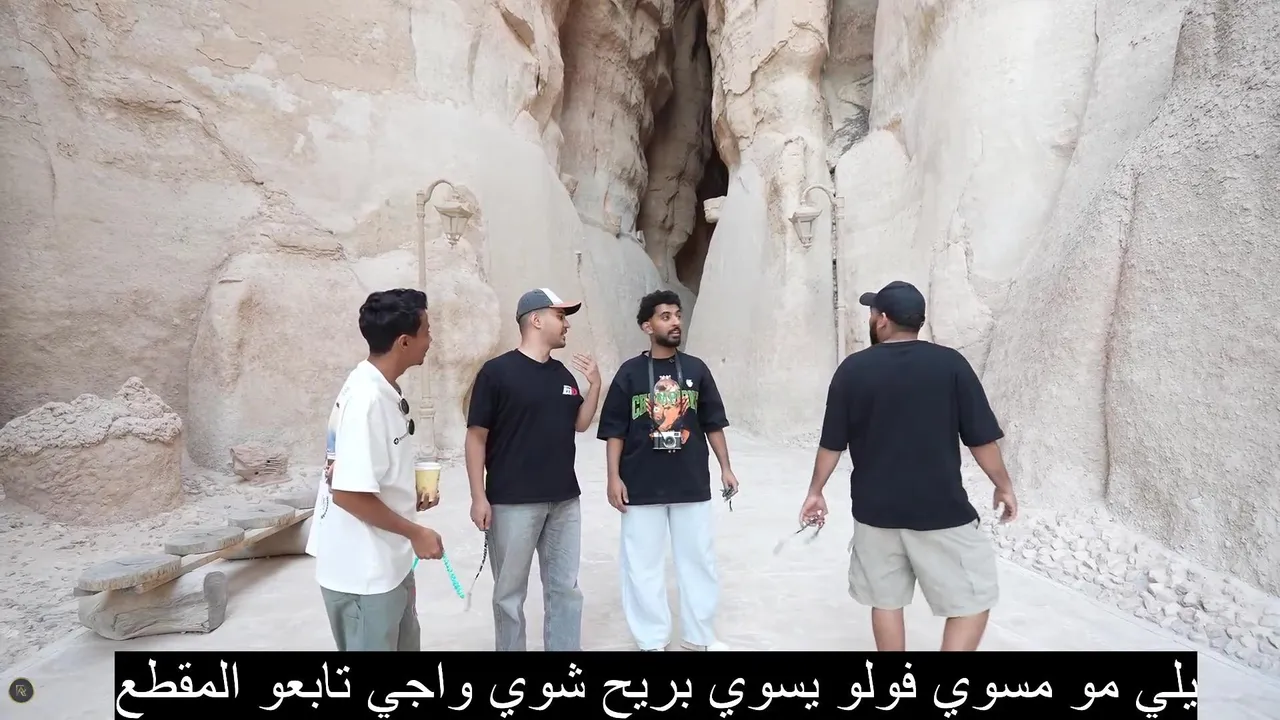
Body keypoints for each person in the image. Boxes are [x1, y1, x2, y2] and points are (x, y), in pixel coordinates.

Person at [797, 280, 1018, 652]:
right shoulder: (951, 365)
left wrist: (815, 491)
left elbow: (832, 443)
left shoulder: (853, 370)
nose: (871, 320)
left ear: (883, 320)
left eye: (872, 313)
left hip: (874, 513)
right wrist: (1004, 485)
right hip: (939, 509)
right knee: (973, 599)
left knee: (886, 601)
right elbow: (981, 439)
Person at [597, 289, 737, 652]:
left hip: (690, 482)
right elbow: (614, 431)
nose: (675, 322)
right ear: (647, 326)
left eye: (677, 315)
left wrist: (726, 468)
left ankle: (699, 637)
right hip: (640, 484)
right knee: (642, 564)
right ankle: (651, 640)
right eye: (665, 316)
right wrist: (613, 477)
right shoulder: (629, 373)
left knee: (699, 560)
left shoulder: (696, 369)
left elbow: (713, 423)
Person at [307, 288, 446, 652]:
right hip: (363, 575)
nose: (431, 340)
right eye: (427, 331)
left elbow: (367, 470)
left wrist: (406, 493)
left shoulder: (380, 388)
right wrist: (416, 532)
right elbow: (347, 493)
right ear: (404, 342)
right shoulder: (366, 401)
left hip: (388, 565)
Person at [465, 287, 602, 651]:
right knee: (509, 595)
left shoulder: (563, 375)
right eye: (561, 316)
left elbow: (580, 424)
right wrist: (478, 497)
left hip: (564, 501)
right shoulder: (496, 373)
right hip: (512, 503)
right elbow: (476, 437)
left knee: (565, 589)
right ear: (536, 320)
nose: (567, 324)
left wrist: (595, 386)